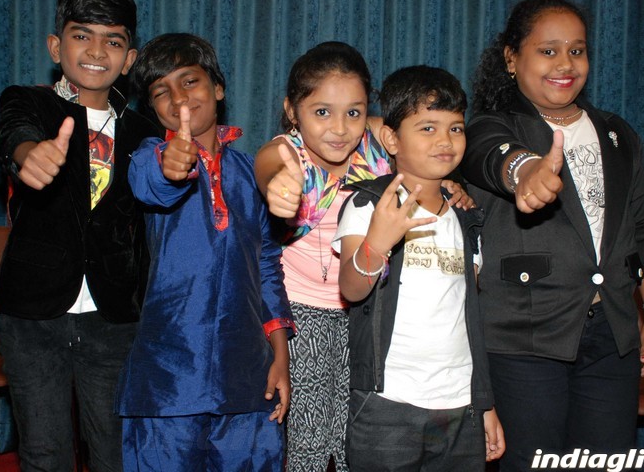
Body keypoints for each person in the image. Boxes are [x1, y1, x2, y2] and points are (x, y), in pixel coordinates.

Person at [460, 0, 644, 471]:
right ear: (512, 59)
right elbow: (494, 157)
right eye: (548, 51)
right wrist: (526, 170)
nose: (565, 64)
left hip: (612, 336)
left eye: (576, 51)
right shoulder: (488, 128)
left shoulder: (617, 135)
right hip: (523, 339)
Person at [254, 42, 472, 471]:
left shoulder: (373, 140)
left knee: (358, 439)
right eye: (321, 112)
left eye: (353, 112)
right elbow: (268, 166)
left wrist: (448, 181)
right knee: (307, 445)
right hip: (302, 315)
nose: (339, 127)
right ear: (291, 111)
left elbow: (420, 133)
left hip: (367, 311)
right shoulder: (286, 152)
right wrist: (279, 186)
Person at [0, 0, 159, 472]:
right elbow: (12, 133)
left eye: (113, 40)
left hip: (112, 319)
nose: (96, 51)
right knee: (45, 452)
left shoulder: (144, 131)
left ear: (129, 58)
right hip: (33, 313)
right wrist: (27, 154)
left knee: (112, 452)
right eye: (81, 35)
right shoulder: (30, 102)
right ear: (55, 45)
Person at [115, 33, 295, 471]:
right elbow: (152, 182)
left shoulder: (252, 173)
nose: (179, 98)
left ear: (218, 88)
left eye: (190, 81)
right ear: (153, 109)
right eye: (161, 92)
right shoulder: (149, 156)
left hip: (247, 380)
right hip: (167, 384)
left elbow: (267, 268)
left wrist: (281, 357)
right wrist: (172, 166)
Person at [333, 65, 504, 471]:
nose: (445, 140)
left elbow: (469, 317)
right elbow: (352, 290)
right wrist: (378, 242)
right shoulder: (369, 205)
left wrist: (485, 403)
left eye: (456, 128)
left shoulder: (467, 218)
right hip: (387, 403)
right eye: (427, 128)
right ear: (391, 138)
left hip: (460, 404)